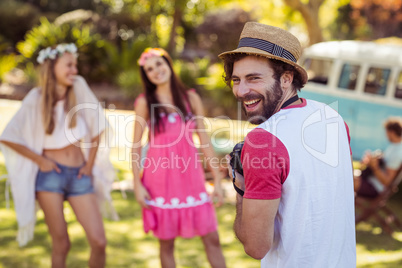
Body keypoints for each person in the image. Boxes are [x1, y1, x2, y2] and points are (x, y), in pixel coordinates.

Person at [220, 22, 356, 267]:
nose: (241, 90)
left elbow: (256, 246)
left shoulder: (264, 139)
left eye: (253, 78)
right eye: (236, 79)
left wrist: (241, 185)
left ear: (285, 78)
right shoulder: (333, 119)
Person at [0, 43, 118, 268]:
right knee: (61, 244)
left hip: (80, 175)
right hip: (50, 177)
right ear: (52, 66)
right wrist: (41, 161)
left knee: (99, 241)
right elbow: (8, 136)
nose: (74, 70)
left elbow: (99, 126)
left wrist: (89, 165)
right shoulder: (36, 98)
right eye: (69, 65)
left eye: (75, 65)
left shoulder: (78, 88)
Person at [132, 48, 226, 268]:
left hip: (191, 177)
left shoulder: (190, 98)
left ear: (169, 65)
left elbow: (204, 141)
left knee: (212, 238)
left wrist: (217, 180)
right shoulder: (145, 102)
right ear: (146, 75)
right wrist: (137, 183)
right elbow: (135, 147)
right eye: (149, 69)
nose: (156, 71)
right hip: (160, 179)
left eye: (159, 64)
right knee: (166, 244)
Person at [354, 117, 402, 197]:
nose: (386, 135)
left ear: (392, 132)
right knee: (346, 177)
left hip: (376, 188)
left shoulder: (398, 153)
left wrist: (375, 167)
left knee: (346, 181)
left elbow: (387, 182)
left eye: (386, 132)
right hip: (370, 180)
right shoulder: (394, 146)